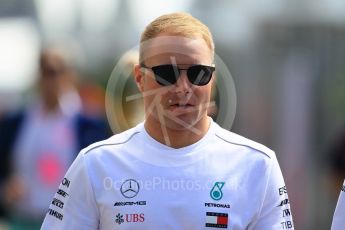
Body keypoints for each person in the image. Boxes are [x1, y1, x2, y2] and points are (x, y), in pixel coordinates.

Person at [41, 13, 294, 229]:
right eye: (166, 74)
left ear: (213, 80)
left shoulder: (259, 165)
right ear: (140, 78)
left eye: (198, 73)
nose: (183, 87)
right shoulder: (95, 164)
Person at [0, 46, 110, 229]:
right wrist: (5, 188)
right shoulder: (15, 122)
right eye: (45, 71)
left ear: (71, 75)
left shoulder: (90, 124)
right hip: (22, 220)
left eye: (57, 71)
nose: (51, 79)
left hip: (70, 223)